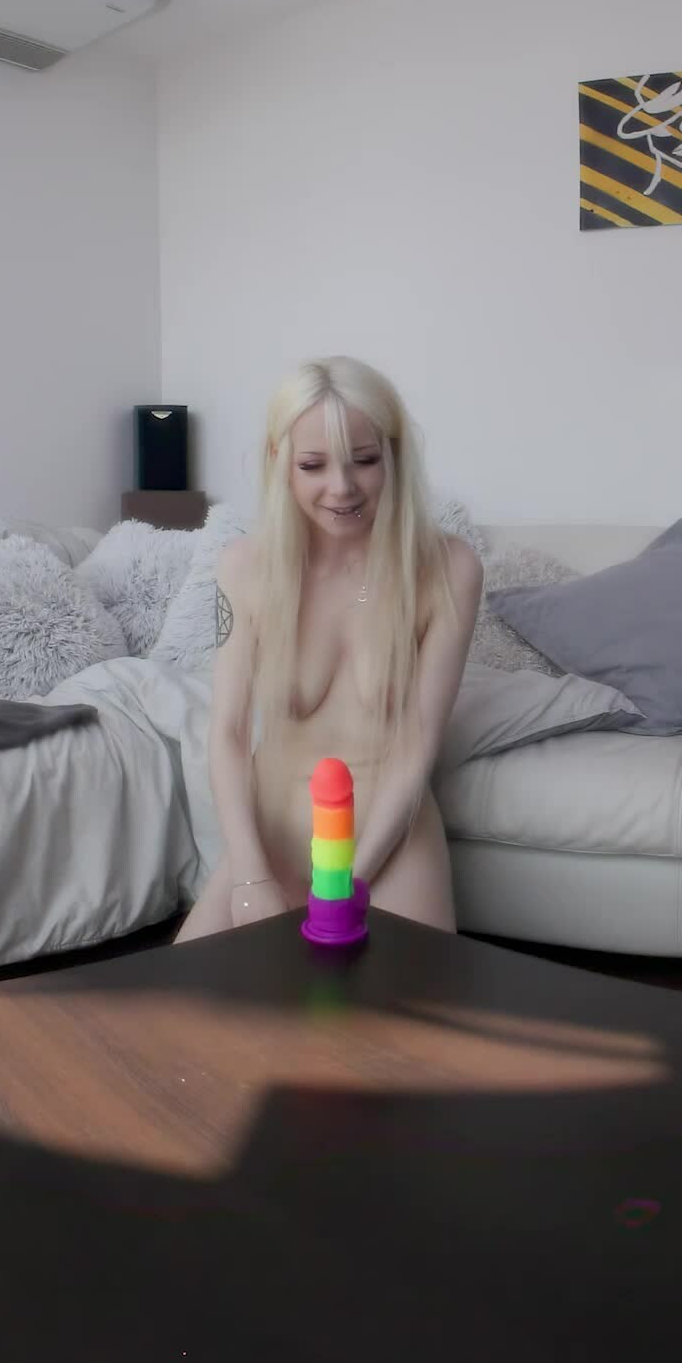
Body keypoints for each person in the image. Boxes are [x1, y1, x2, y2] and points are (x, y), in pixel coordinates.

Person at [178, 355, 481, 940]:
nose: (342, 487)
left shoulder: (449, 569)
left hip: (388, 848)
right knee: (180, 996)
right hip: (272, 845)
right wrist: (250, 875)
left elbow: (416, 744)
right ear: (280, 462)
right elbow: (229, 734)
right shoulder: (245, 568)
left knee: (400, 1001)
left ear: (393, 455)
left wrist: (347, 884)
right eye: (313, 465)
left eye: (364, 460)